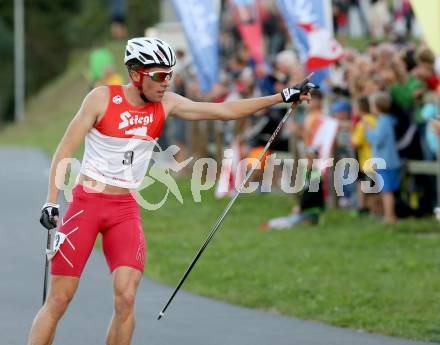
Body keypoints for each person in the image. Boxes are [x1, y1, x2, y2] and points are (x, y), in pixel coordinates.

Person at [28, 37, 313, 345]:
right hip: (87, 204)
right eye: (160, 76)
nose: (166, 82)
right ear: (137, 74)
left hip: (124, 209)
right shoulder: (101, 99)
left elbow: (225, 111)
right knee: (59, 300)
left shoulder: (167, 104)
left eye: (170, 75)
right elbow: (65, 150)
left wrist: (281, 96)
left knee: (126, 298)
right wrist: (51, 202)